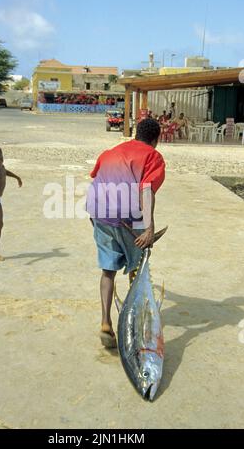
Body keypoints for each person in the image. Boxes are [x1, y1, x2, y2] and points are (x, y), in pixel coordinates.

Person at [86, 118, 165, 348]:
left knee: (108, 270)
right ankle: (134, 323)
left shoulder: (111, 151)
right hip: (127, 215)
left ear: (136, 133)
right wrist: (149, 227)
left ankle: (105, 322)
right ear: (156, 140)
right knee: (137, 269)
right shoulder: (153, 155)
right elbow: (147, 190)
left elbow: (96, 176)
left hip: (98, 211)